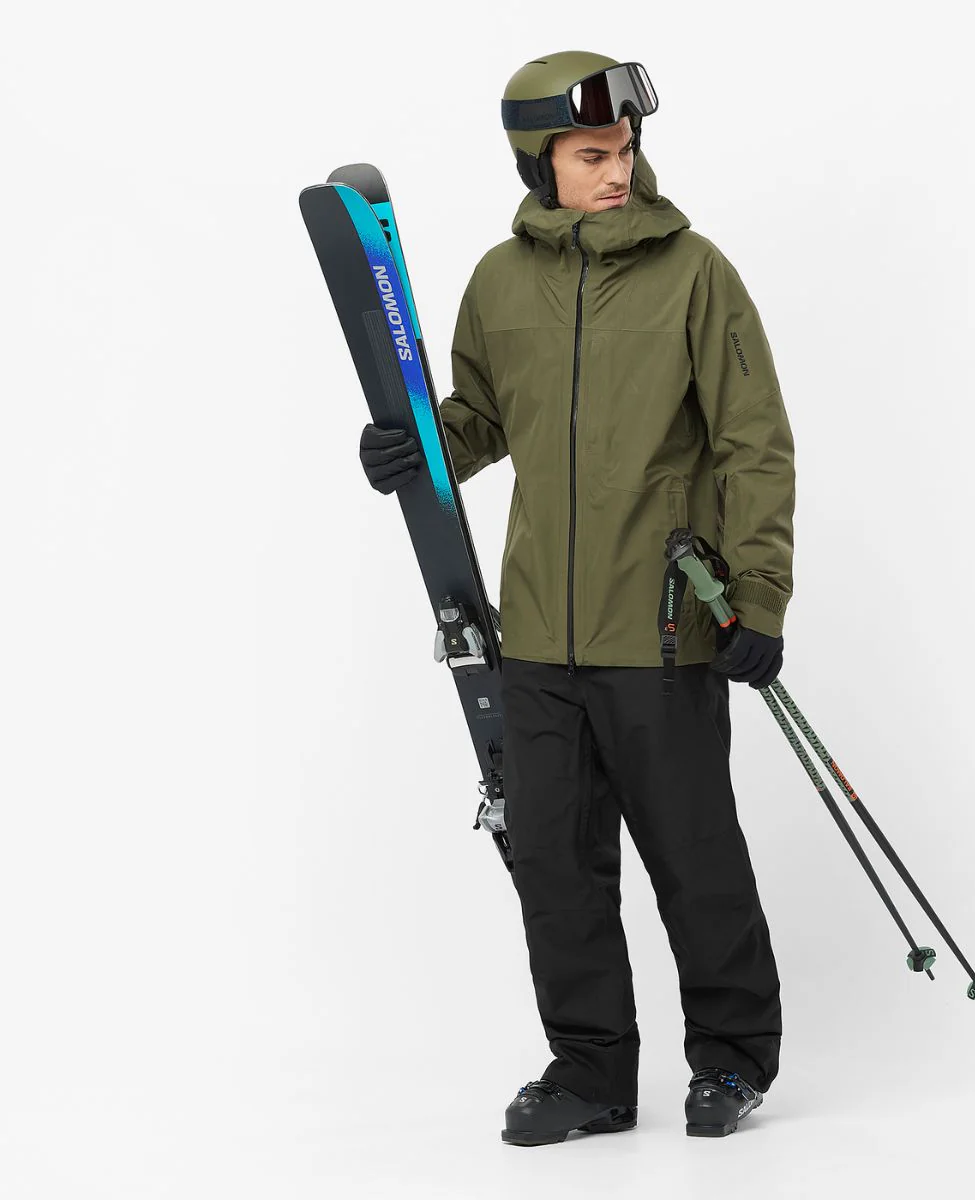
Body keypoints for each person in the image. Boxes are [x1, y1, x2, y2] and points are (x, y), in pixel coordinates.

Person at [358, 50, 795, 1146]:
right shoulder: (499, 283)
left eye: (625, 149)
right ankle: (591, 1072)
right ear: (538, 163)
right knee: (554, 866)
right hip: (537, 637)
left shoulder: (696, 274)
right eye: (592, 153)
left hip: (661, 627)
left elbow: (755, 445)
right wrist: (417, 447)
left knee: (693, 857)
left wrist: (759, 598)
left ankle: (733, 1058)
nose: (616, 170)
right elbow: (480, 418)